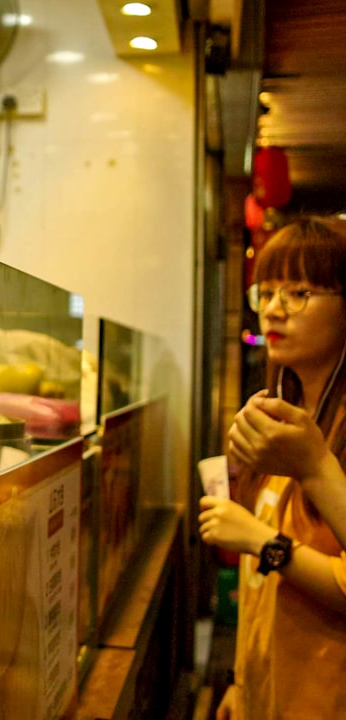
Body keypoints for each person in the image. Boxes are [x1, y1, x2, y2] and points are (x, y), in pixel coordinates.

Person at [198, 216, 346, 720]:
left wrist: (263, 542)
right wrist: (244, 683)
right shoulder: (279, 411)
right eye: (267, 291)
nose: (274, 309)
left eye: (300, 292)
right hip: (269, 686)